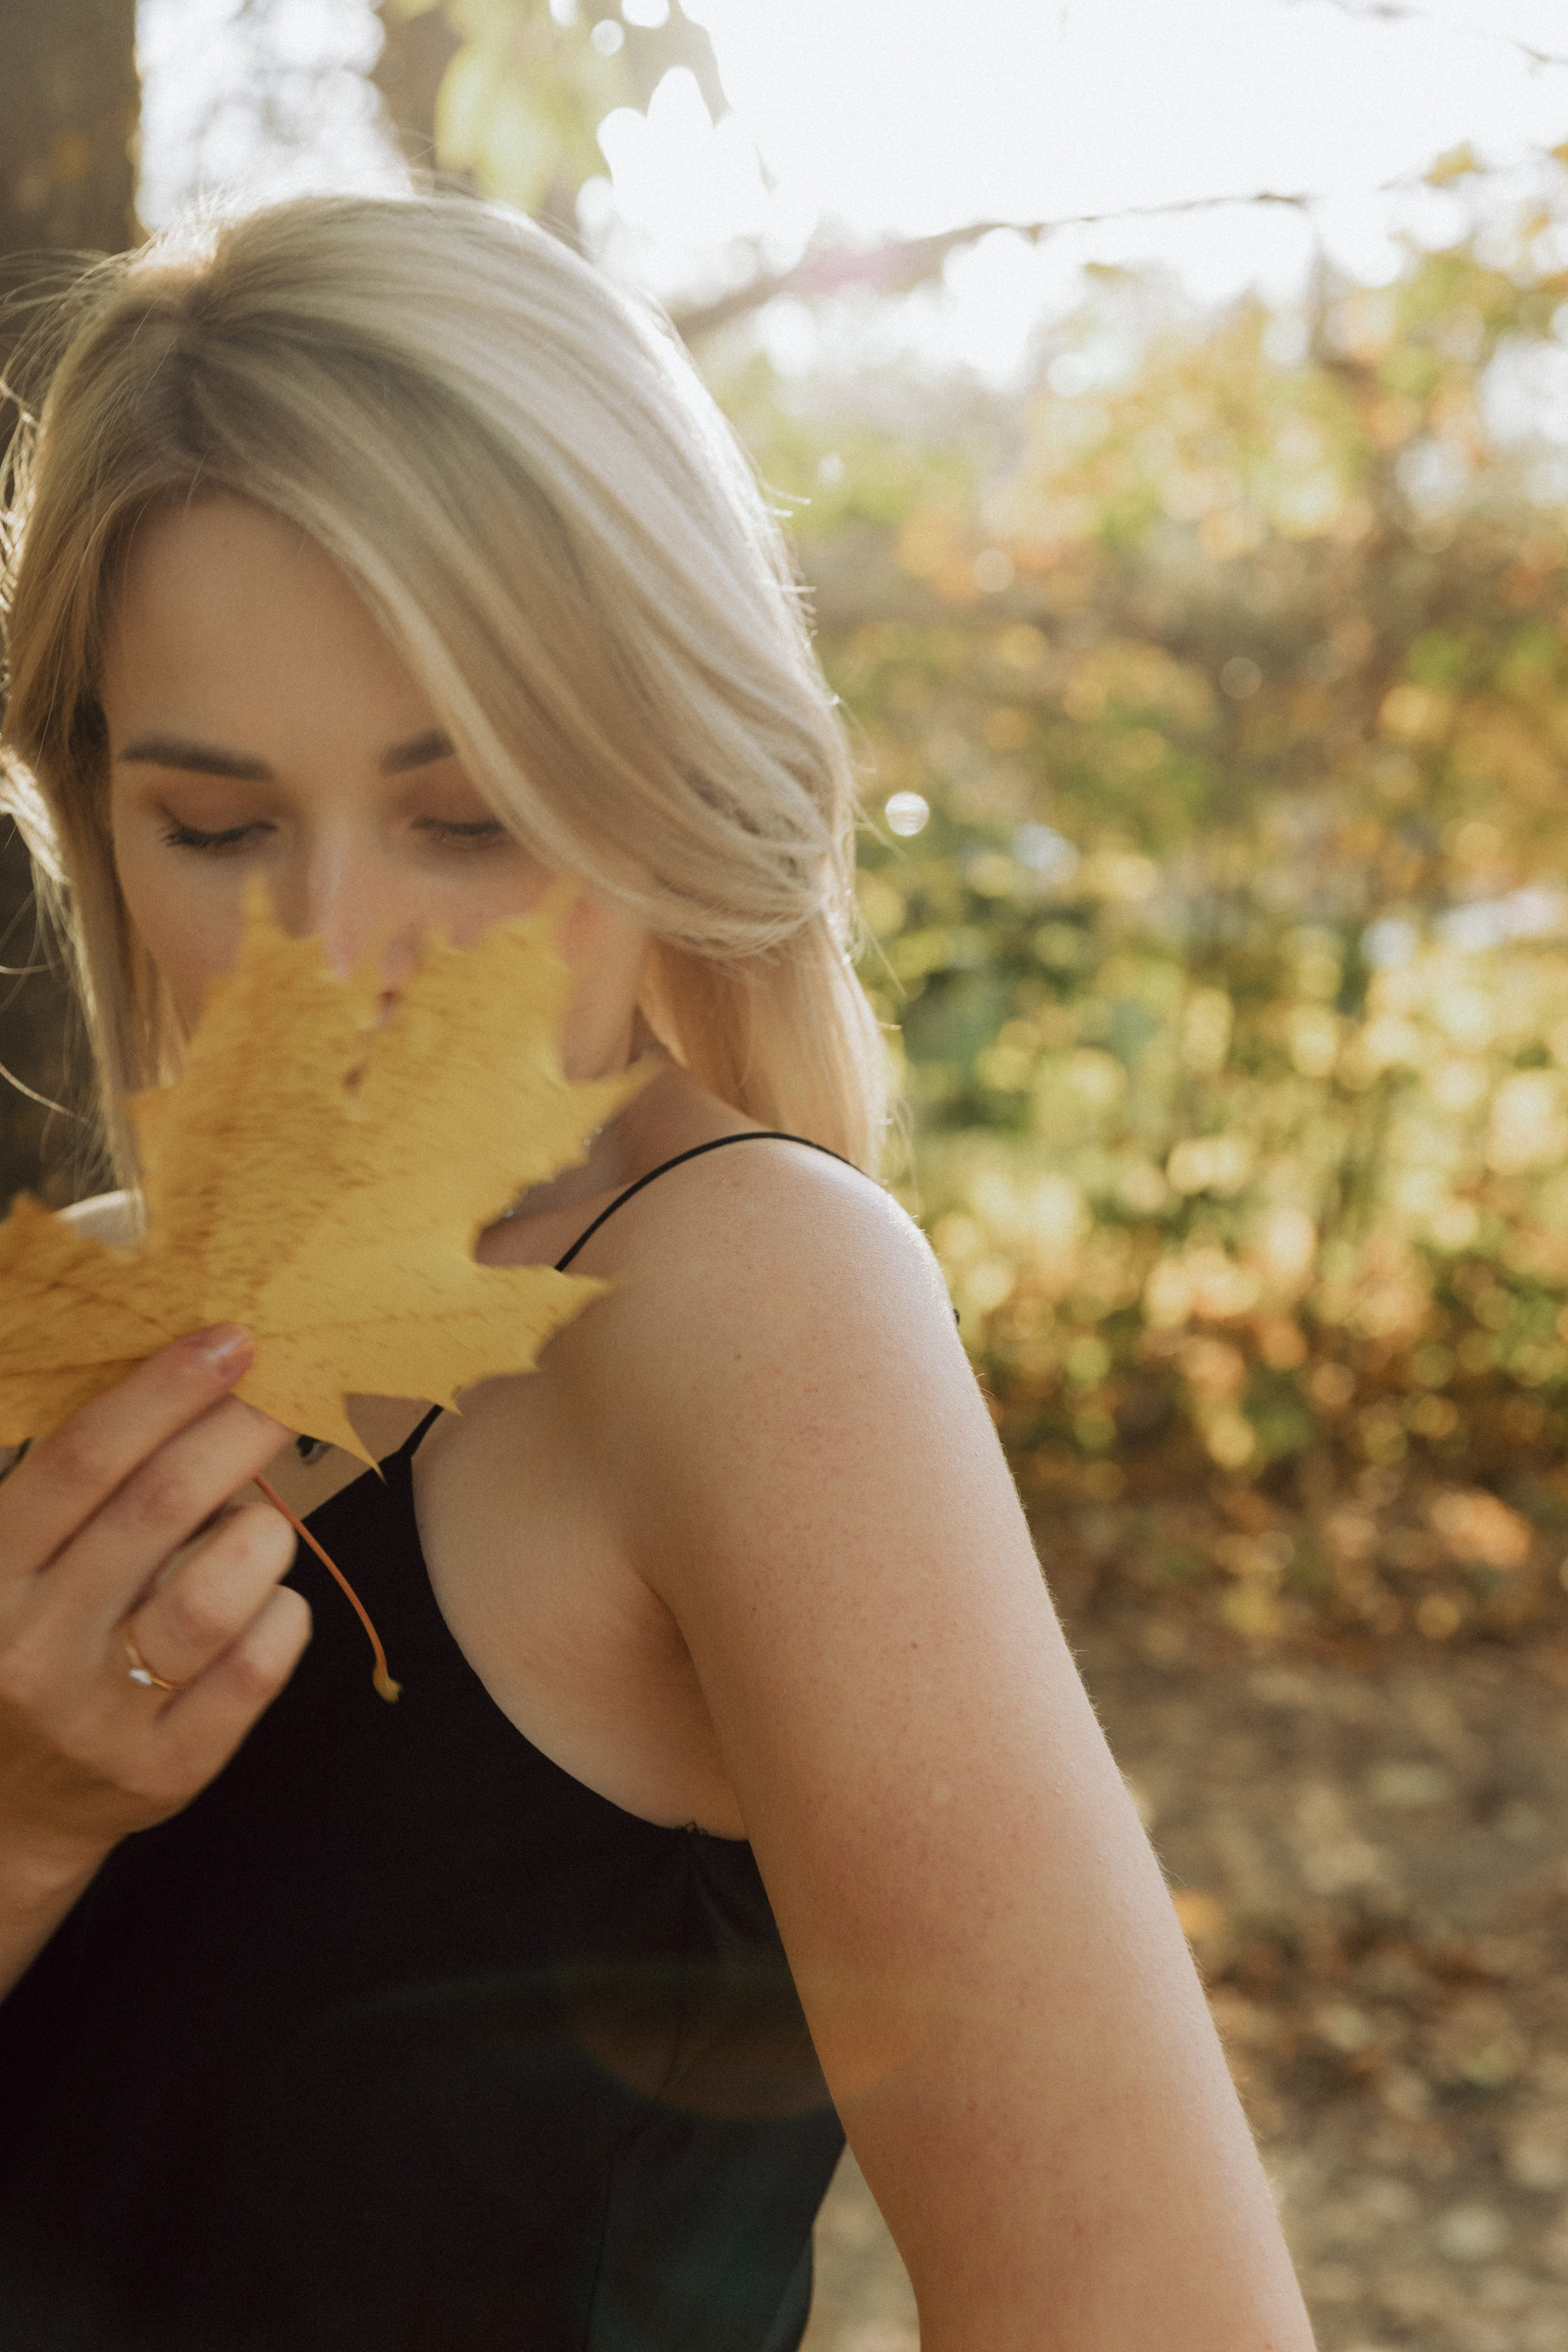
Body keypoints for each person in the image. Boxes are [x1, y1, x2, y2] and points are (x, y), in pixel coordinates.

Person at [0, 193, 1314, 2352]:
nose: (334, 957)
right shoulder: (70, 1341)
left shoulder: (749, 1306)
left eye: (473, 812)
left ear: (665, 792)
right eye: (219, 829)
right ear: (99, 817)